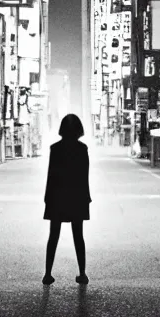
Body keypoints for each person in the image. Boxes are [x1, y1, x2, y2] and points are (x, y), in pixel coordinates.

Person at [42, 113, 92, 285]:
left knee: (53, 235)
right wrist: (87, 197)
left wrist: (47, 197)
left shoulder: (55, 149)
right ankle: (82, 274)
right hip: (77, 196)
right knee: (78, 235)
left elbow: (51, 175)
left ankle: (48, 274)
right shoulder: (82, 149)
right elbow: (84, 176)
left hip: (57, 195)